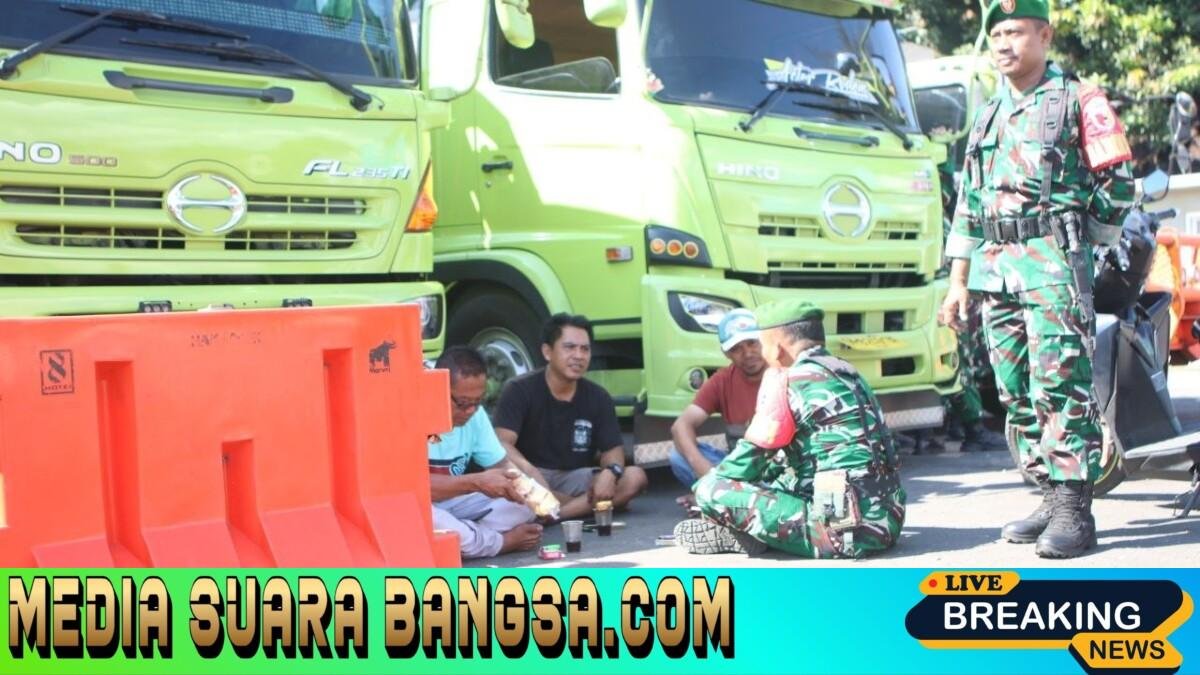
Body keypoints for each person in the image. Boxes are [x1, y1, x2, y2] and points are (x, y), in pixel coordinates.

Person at [939, 0, 1136, 558]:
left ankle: (1076, 506)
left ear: (1044, 35)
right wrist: (959, 280)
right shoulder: (987, 115)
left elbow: (1119, 180)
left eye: (1016, 31)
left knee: (1059, 385)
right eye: (996, 33)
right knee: (1015, 388)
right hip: (995, 268)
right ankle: (1050, 493)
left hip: (1051, 263)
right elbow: (968, 206)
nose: (1004, 44)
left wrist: (1084, 245)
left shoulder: (1078, 99)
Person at [675, 300, 906, 558]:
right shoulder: (848, 372)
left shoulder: (788, 381)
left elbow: (741, 466)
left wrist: (713, 497)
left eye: (760, 344)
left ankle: (757, 535)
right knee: (783, 474)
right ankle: (761, 533)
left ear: (775, 346)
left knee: (711, 490)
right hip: (890, 521)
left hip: (842, 533)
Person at [494, 313, 649, 520]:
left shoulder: (598, 396)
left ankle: (556, 514)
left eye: (585, 349)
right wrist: (531, 473)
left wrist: (610, 473)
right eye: (569, 347)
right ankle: (593, 506)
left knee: (634, 477)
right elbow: (502, 444)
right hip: (532, 476)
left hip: (575, 477)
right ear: (547, 352)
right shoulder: (519, 389)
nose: (579, 356)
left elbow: (613, 451)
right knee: (516, 487)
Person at [428, 347, 543, 559]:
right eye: (462, 403)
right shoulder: (414, 412)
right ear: (437, 388)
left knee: (525, 503)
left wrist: (531, 491)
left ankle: (467, 538)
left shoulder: (475, 414)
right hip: (424, 506)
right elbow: (415, 489)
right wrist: (476, 482)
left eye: (477, 402)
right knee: (429, 519)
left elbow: (501, 465)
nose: (471, 411)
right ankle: (500, 542)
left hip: (457, 505)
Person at [668, 309, 766, 487]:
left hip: (778, 467)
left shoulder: (783, 373)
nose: (748, 353)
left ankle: (727, 498)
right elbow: (680, 427)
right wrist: (706, 473)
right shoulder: (722, 380)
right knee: (678, 456)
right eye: (737, 349)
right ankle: (723, 494)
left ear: (765, 341)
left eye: (752, 343)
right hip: (739, 468)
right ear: (726, 353)